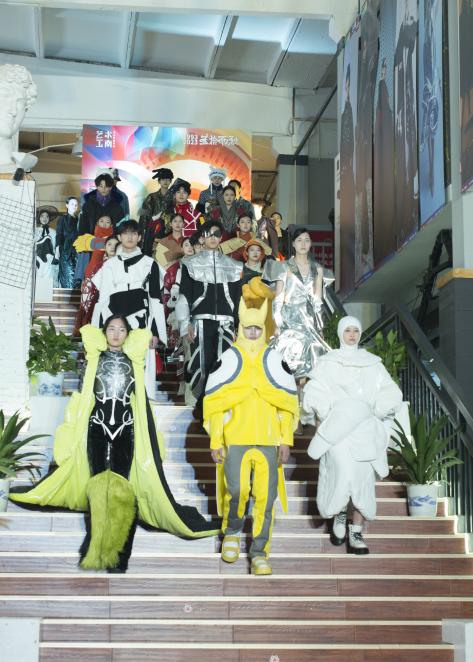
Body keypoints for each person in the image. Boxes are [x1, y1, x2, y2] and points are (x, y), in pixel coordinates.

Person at [11, 317, 219, 572]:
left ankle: (120, 555)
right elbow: (86, 395)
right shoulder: (94, 358)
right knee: (98, 487)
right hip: (96, 428)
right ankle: (96, 547)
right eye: (111, 329)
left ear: (127, 334)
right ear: (104, 332)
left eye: (121, 329)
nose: (116, 333)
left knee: (122, 490)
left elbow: (140, 397)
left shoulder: (135, 360)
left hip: (126, 429)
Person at [204, 280, 298, 575]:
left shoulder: (274, 360)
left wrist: (286, 440)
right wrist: (216, 441)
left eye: (258, 328)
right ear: (241, 327)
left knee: (266, 500)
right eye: (249, 328)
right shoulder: (229, 359)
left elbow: (286, 405)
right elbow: (216, 404)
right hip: (236, 439)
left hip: (269, 442)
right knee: (237, 489)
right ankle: (232, 533)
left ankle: (260, 553)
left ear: (264, 328)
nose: (254, 333)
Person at [302, 316, 404, 555]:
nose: (351, 334)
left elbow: (390, 392)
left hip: (365, 429)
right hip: (337, 429)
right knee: (340, 472)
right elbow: (316, 391)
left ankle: (356, 530)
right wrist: (324, 416)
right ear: (340, 333)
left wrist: (376, 410)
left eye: (355, 330)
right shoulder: (328, 362)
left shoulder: (372, 363)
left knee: (363, 480)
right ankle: (339, 514)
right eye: (347, 330)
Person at [91, 219, 167, 398]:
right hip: (114, 320)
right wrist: (98, 329)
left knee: (141, 367)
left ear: (139, 237)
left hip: (141, 321)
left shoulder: (149, 263)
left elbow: (155, 299)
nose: (130, 237)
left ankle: (141, 403)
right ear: (119, 237)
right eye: (125, 233)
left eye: (134, 233)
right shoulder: (109, 265)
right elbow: (102, 299)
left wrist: (155, 332)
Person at [175, 220, 242, 409]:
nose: (213, 237)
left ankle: (221, 407)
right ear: (201, 238)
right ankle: (203, 407)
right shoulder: (190, 264)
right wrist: (185, 323)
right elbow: (184, 295)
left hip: (226, 323)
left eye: (217, 234)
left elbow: (237, 300)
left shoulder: (233, 266)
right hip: (200, 323)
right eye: (208, 234)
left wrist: (239, 326)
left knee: (224, 364)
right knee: (201, 365)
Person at [72, 235, 119, 336]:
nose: (112, 247)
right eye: (109, 244)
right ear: (105, 247)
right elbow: (92, 286)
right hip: (100, 302)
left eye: (116, 245)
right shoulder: (99, 266)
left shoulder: (124, 265)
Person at [139, 167, 175, 255]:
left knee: (167, 257)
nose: (165, 181)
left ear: (171, 181)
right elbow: (143, 218)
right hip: (152, 232)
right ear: (159, 181)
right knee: (149, 256)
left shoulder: (175, 198)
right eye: (163, 179)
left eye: (168, 179)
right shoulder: (151, 197)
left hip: (169, 231)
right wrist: (142, 238)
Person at [55, 197, 79, 288]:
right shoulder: (62, 219)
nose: (74, 206)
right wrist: (57, 250)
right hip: (65, 250)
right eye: (72, 204)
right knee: (67, 273)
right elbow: (59, 235)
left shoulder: (79, 220)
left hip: (77, 250)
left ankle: (75, 294)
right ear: (67, 205)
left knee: (76, 273)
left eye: (76, 205)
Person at [35, 205, 58, 289]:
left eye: (47, 216)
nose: (44, 218)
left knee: (48, 281)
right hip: (37, 260)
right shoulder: (35, 230)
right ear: (39, 218)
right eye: (42, 216)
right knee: (38, 281)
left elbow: (55, 246)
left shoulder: (53, 232)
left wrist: (55, 258)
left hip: (49, 261)